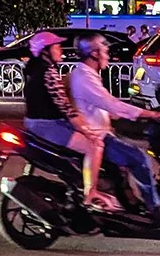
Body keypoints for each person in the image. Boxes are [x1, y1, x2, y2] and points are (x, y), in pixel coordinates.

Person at [68, 33, 160, 227]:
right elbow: (114, 105)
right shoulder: (85, 78)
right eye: (105, 51)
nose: (108, 55)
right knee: (139, 158)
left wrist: (124, 116)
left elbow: (107, 108)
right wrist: (152, 115)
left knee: (132, 149)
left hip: (102, 129)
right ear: (94, 53)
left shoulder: (87, 74)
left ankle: (129, 199)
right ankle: (155, 208)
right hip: (97, 135)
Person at [19, 31, 111, 207]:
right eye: (57, 46)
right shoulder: (48, 72)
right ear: (46, 50)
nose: (61, 50)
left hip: (34, 123)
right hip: (48, 126)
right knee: (95, 145)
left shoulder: (33, 68)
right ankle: (90, 193)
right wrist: (87, 130)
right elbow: (66, 108)